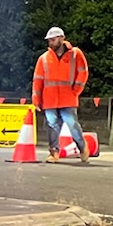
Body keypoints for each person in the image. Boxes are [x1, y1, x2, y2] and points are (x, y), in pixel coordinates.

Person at [33, 26, 89, 160]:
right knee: (52, 125)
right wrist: (36, 99)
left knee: (72, 124)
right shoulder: (44, 58)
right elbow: (38, 80)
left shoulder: (75, 54)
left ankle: (82, 147)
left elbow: (83, 72)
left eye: (53, 40)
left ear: (62, 38)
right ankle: (54, 152)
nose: (51, 43)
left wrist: (76, 90)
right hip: (50, 98)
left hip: (68, 97)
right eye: (49, 40)